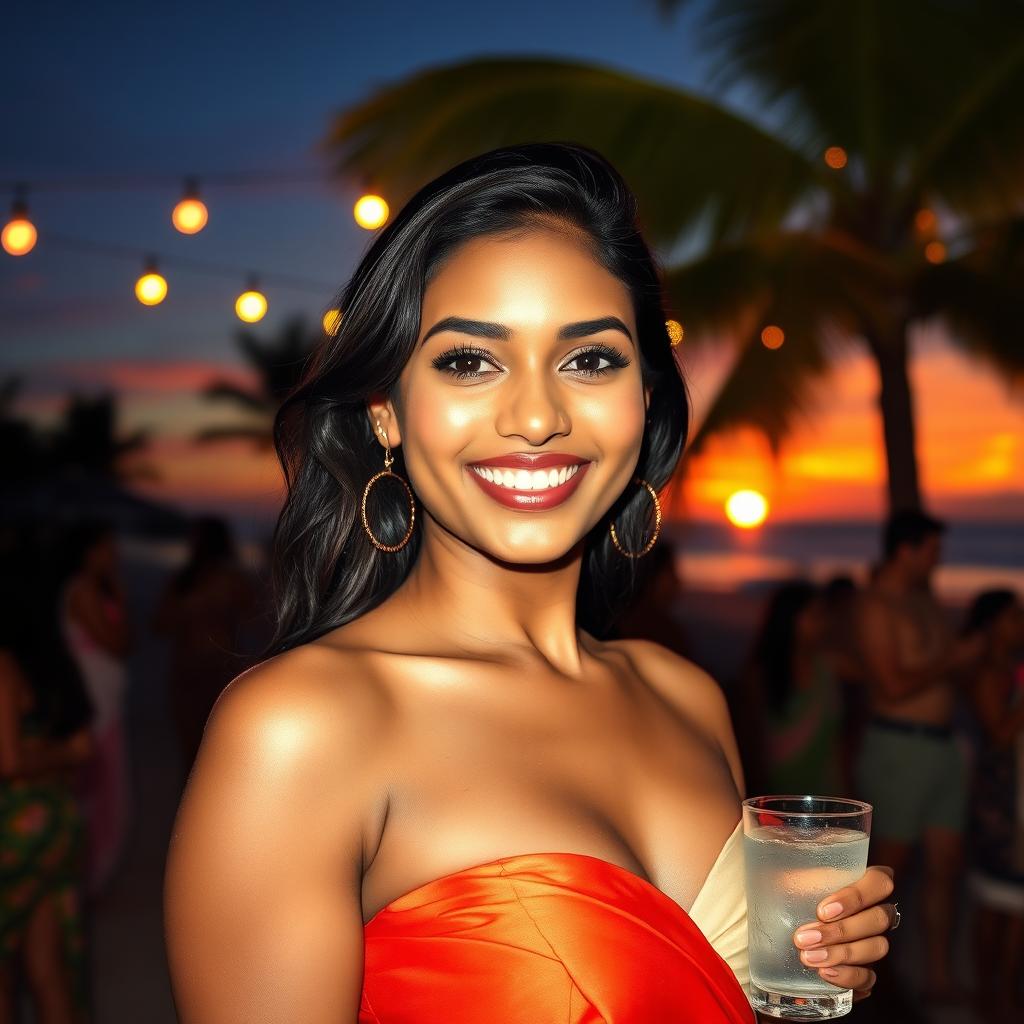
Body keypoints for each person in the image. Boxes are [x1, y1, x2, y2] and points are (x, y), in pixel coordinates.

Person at [164, 143, 897, 1023]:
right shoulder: (302, 727)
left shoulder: (686, 697)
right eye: (469, 362)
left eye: (590, 361)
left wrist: (823, 970)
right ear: (384, 410)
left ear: (647, 401)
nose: (539, 417)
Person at [854, 508, 983, 1004]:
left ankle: (937, 974)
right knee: (892, 868)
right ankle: (877, 983)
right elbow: (890, 685)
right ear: (906, 550)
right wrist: (954, 660)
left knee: (946, 865)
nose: (939, 559)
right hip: (897, 746)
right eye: (932, 550)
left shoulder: (925, 601)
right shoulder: (877, 607)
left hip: (943, 747)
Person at [0, 524, 94, 1022]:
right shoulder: (46, 658)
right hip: (54, 820)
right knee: (48, 966)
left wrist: (60, 754)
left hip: (14, 827)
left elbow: (9, 761)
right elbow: (77, 741)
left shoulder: (3, 663)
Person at [153, 516, 261, 777]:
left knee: (203, 757)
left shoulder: (201, 581)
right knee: (205, 756)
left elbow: (160, 625)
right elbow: (160, 625)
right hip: (201, 673)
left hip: (207, 673)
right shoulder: (194, 581)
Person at [959, 589, 1024, 1016]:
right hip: (998, 799)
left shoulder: (1015, 669)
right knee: (996, 896)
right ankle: (989, 992)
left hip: (1017, 793)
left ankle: (1006, 991)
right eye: (1013, 617)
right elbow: (999, 733)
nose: (1020, 623)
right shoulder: (985, 673)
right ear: (992, 625)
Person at [58, 522, 132, 896]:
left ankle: (92, 872)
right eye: (106, 547)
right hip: (92, 697)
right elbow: (116, 643)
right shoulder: (84, 589)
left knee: (104, 782)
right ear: (90, 552)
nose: (113, 554)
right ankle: (86, 875)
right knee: (97, 785)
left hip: (104, 695)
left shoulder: (101, 588)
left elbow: (124, 639)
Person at [733, 581, 843, 797]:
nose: (823, 623)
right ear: (790, 620)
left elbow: (836, 747)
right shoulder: (759, 675)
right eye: (814, 615)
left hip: (826, 796)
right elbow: (752, 744)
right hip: (778, 799)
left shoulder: (829, 669)